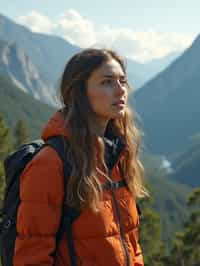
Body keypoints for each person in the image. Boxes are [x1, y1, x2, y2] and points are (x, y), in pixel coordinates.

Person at [13, 48, 148, 266]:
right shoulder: (51, 163)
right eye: (107, 82)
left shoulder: (119, 156)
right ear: (79, 92)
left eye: (122, 81)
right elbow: (31, 255)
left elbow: (131, 243)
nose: (120, 90)